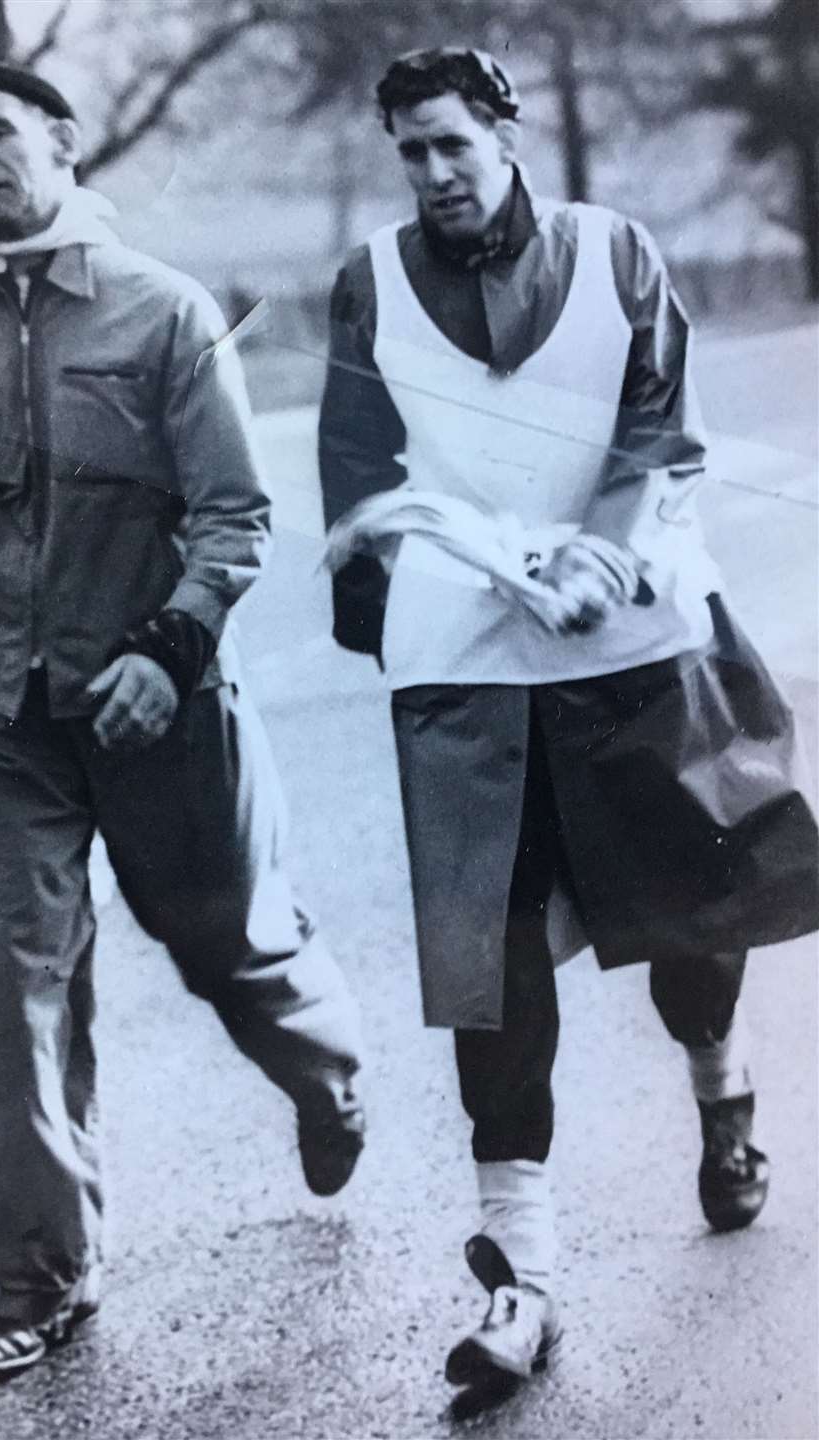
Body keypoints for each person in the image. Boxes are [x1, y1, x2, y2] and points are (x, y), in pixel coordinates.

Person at [317, 45, 818, 1414]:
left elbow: (659, 430)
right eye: (409, 153)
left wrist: (599, 558)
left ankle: (723, 1092)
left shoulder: (613, 253)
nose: (431, 177)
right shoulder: (369, 280)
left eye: (450, 149)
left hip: (632, 636)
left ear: (504, 136)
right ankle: (522, 1275)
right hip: (471, 661)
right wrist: (393, 601)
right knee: (489, 957)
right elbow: (355, 470)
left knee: (689, 924)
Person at [0, 63, 366, 1385]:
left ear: (60, 141)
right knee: (1, 997)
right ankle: (40, 1277)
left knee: (232, 944)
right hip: (12, 718)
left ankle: (330, 1076)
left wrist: (171, 648)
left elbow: (235, 514)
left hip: (160, 700)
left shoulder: (164, 313)